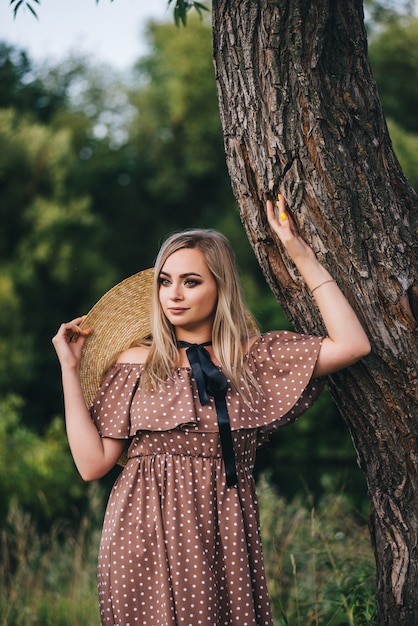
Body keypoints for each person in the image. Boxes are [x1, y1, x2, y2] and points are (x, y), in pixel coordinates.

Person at [52, 195, 371, 626]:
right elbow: (92, 465)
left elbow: (353, 345)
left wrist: (302, 255)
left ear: (220, 286)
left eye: (191, 281)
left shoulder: (254, 358)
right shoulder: (133, 364)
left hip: (224, 532)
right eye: (165, 281)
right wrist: (70, 371)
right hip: (141, 536)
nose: (174, 295)